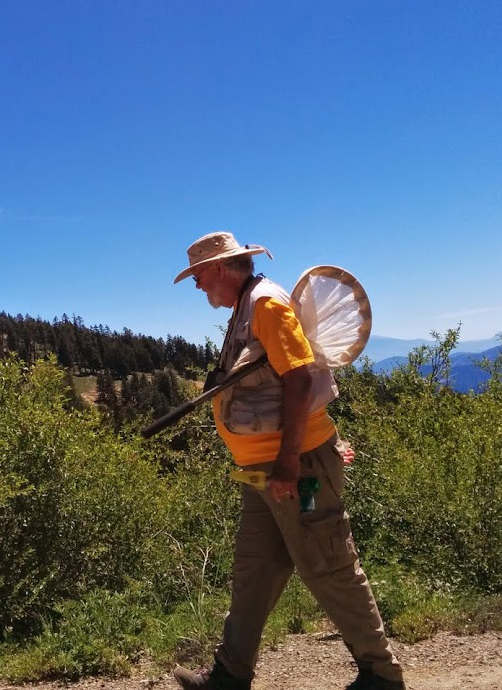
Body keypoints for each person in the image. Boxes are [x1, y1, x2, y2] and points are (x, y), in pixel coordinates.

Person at [170, 232, 405, 690]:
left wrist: (290, 463)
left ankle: (382, 675)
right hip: (263, 473)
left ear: (220, 268)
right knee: (254, 572)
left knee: (329, 565)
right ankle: (229, 677)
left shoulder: (266, 305)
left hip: (293, 469)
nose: (198, 287)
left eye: (198, 276)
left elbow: (299, 382)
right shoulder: (246, 306)